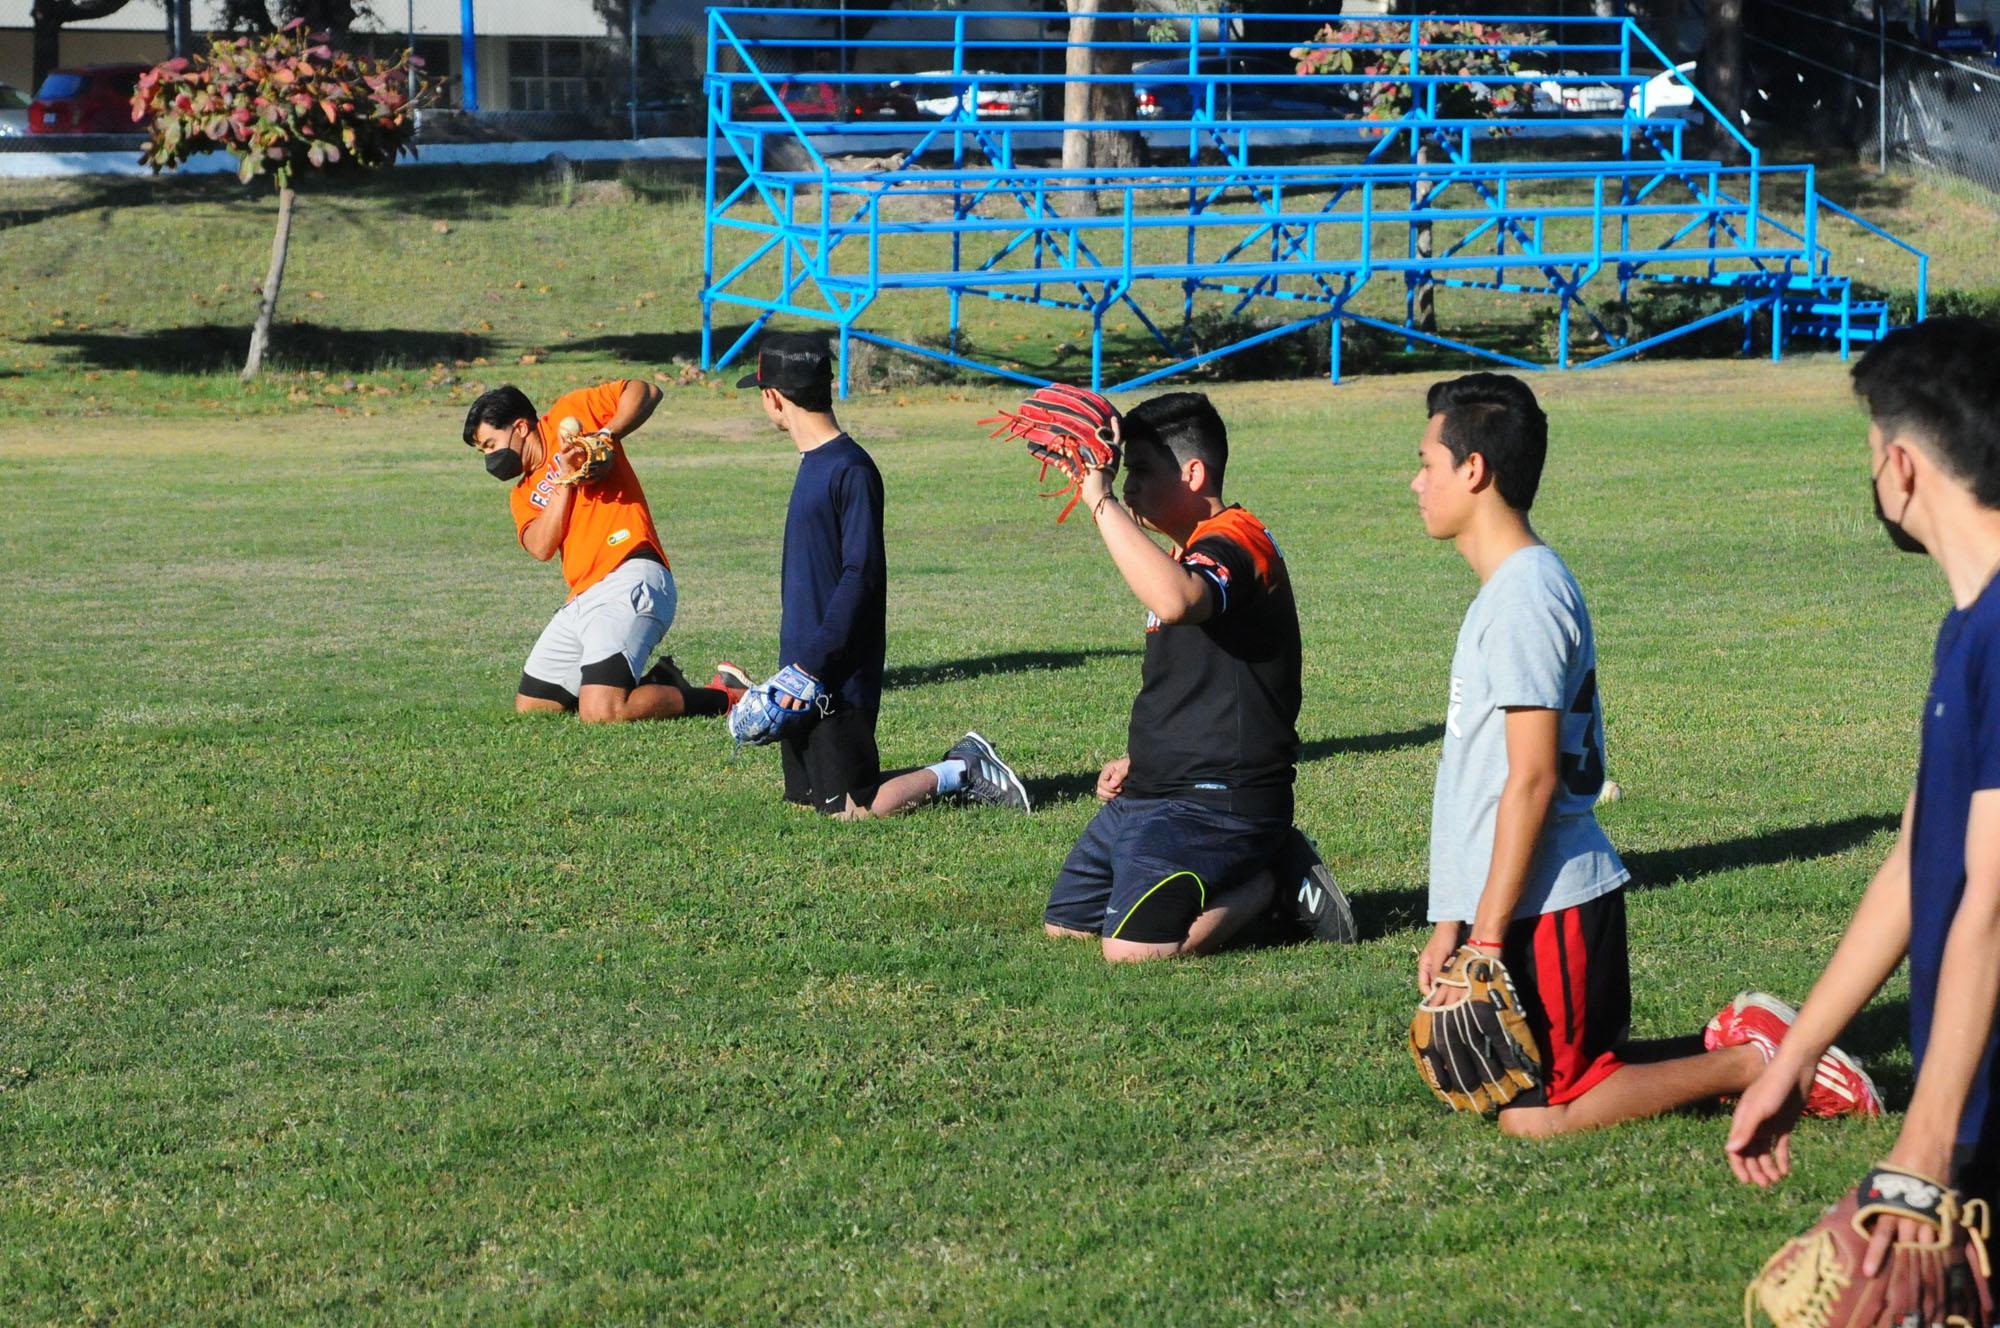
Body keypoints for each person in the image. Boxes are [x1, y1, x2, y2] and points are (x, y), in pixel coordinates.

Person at [1411, 372, 1879, 1136]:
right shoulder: (1504, 590)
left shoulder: (1526, 595)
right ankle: (1732, 1038)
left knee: (1540, 1117)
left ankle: (1758, 1062)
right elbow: (1475, 783)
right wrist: (1450, 924)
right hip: (1516, 899)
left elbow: (1531, 780)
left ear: (1474, 470)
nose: (1416, 481)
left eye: (1427, 461)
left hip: (1550, 901)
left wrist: (1487, 936)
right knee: (1523, 1089)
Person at [1727, 318, 2000, 1243]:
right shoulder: (1970, 629)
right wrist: (1795, 1058)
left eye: (1871, 450)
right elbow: (1914, 871)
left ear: (1905, 466)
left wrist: (1922, 1157)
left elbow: (1994, 905)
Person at [1041, 390, 1348, 962]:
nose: (1129, 485)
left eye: (1141, 472)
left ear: (1193, 473)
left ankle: (1272, 879)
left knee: (1129, 952)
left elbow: (1179, 601)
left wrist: (1100, 501)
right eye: (1123, 473)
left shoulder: (1238, 540)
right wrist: (1144, 761)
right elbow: (1203, 684)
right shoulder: (1187, 553)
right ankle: (1254, 867)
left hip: (1218, 804)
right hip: (1155, 793)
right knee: (1067, 927)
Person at [734, 331, 1031, 820]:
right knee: (808, 797)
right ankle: (951, 765)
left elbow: (861, 575)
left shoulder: (850, 469)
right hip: (805, 667)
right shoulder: (814, 464)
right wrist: (791, 667)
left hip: (835, 673)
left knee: (852, 809)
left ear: (772, 398)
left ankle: (962, 768)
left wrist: (812, 666)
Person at [463, 379, 734, 723]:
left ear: (519, 427)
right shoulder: (522, 493)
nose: (490, 457)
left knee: (601, 711)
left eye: (491, 444)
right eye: (483, 451)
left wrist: (606, 435)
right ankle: (661, 683)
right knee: (534, 705)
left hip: (630, 572)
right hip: (581, 598)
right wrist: (565, 479)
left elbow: (646, 391)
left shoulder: (570, 412)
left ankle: (726, 696)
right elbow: (540, 546)